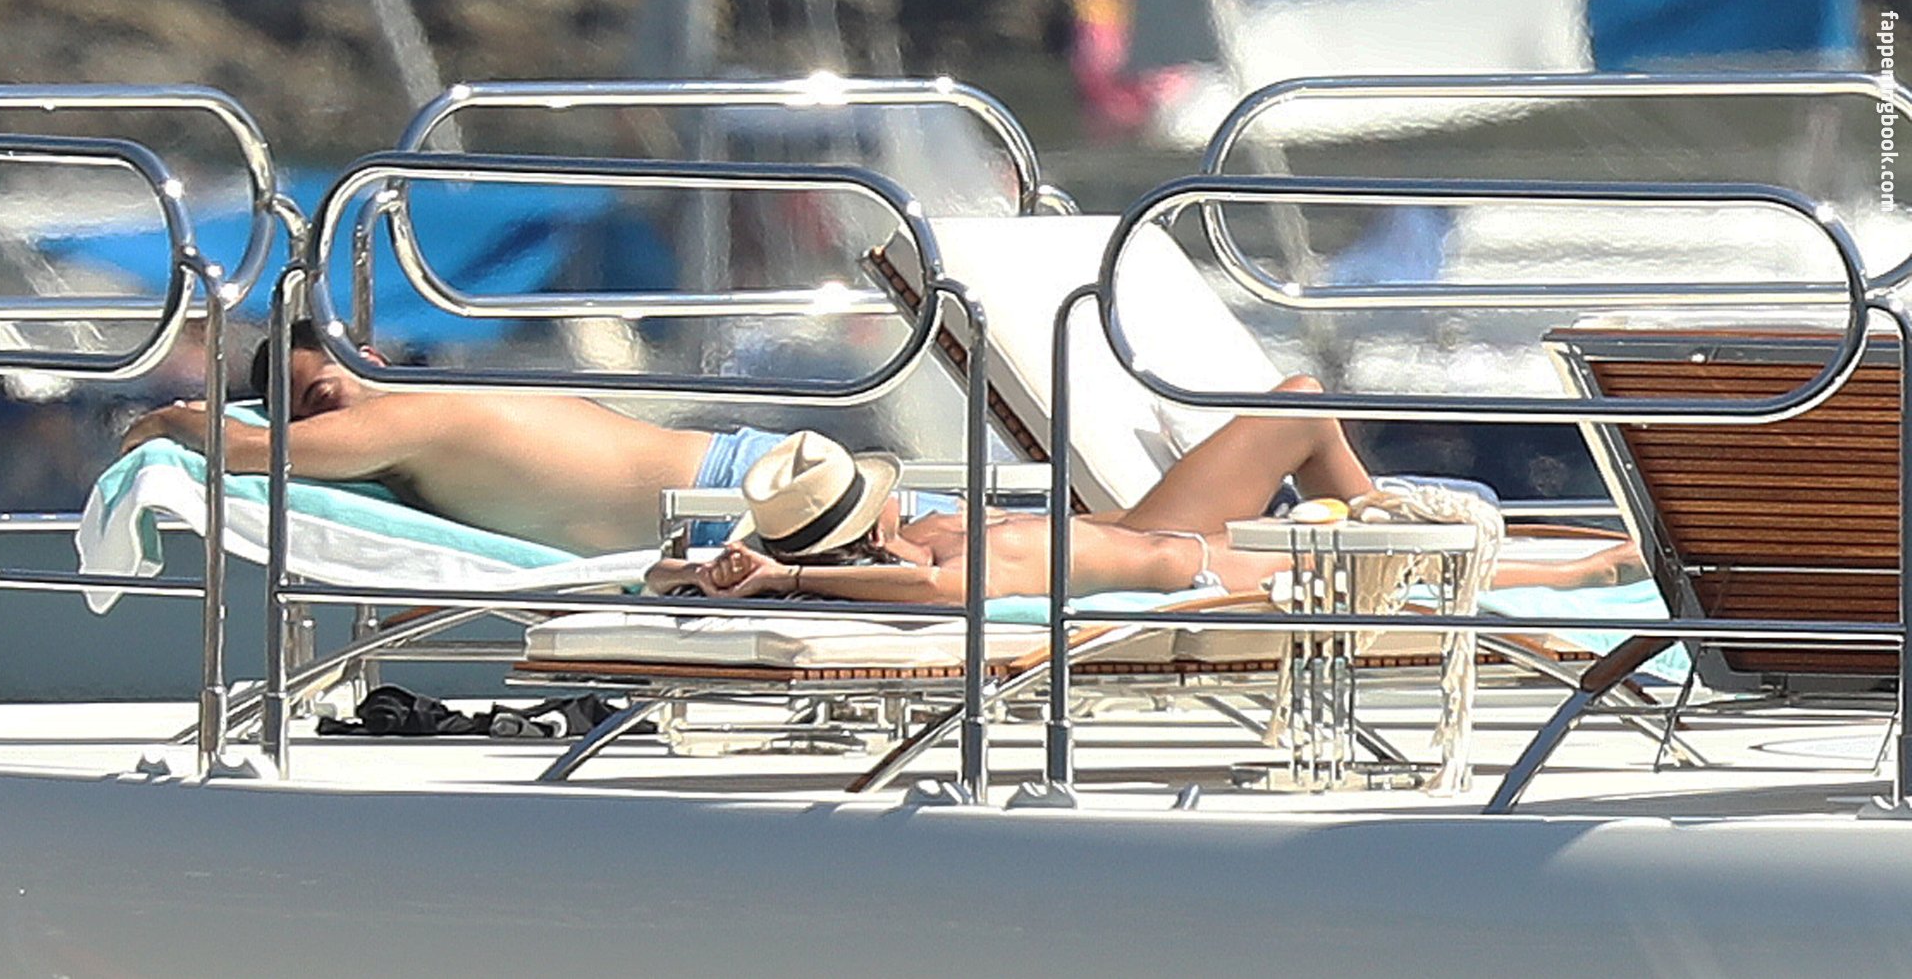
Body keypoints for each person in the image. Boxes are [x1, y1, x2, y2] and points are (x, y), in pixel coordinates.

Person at [646, 378, 1645, 602]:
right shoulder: (939, 574)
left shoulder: (929, 534)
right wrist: (786, 580)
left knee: (1302, 405)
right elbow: (939, 592)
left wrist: (707, 569)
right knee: (1390, 565)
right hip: (1200, 567)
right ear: (868, 528)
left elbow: (658, 578)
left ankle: (1401, 513)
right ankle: (1586, 571)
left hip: (1161, 528)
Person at [118, 318, 786, 554]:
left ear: (369, 361)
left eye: (325, 393)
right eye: (311, 416)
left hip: (735, 502)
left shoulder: (407, 415)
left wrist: (167, 420)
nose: (330, 424)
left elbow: (246, 451)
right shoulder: (426, 418)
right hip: (735, 494)